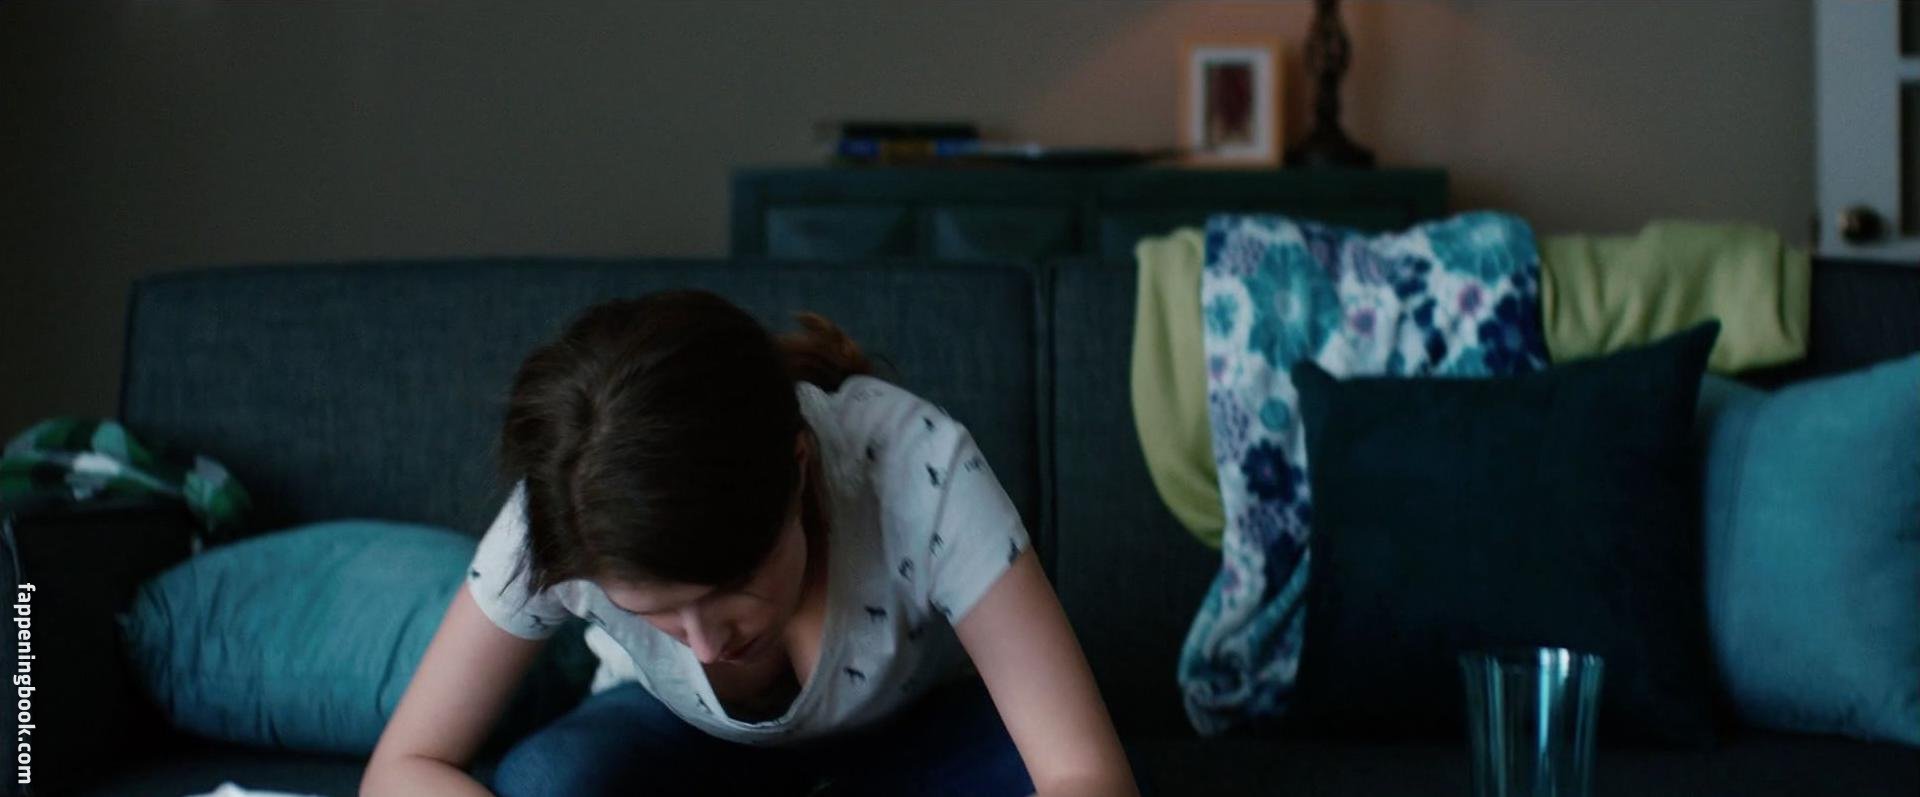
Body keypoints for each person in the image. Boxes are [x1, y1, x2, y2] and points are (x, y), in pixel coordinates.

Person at [360, 290, 1140, 797]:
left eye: (728, 588)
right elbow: (404, 765)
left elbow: (1087, 774)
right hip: (676, 744)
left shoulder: (920, 467)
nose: (707, 645)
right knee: (550, 778)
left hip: (918, 735)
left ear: (796, 469)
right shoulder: (565, 508)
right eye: (659, 613)